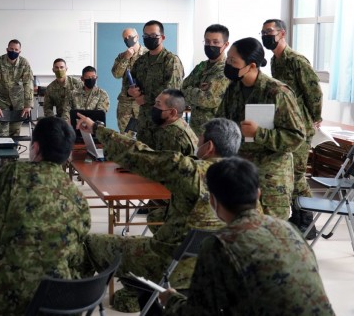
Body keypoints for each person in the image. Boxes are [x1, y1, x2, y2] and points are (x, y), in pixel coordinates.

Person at [76, 115, 241, 313]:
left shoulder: (190, 172)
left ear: (209, 146)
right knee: (154, 219)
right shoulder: (245, 178)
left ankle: (74, 304)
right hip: (215, 267)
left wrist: (97, 129)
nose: (197, 141)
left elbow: (138, 154)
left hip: (170, 262)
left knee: (89, 243)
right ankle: (134, 297)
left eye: (200, 138)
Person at [0, 116, 91, 315]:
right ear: (68, 154)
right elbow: (77, 259)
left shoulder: (13, 174)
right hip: (58, 304)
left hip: (6, 300)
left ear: (35, 148)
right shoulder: (78, 198)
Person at [159, 157, 335, 316]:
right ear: (258, 194)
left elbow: (199, 312)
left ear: (213, 200)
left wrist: (171, 299)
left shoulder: (219, 243)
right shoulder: (288, 228)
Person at [217, 37, 305, 220]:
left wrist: (259, 133)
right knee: (243, 233)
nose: (228, 64)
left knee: (270, 237)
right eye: (228, 59)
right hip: (241, 175)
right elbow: (222, 123)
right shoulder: (233, 90)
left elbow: (295, 137)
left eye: (233, 61)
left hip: (271, 179)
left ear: (252, 65)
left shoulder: (277, 92)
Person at [262, 19, 323, 238]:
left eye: (270, 32)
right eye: (263, 32)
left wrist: (316, 117)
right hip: (285, 124)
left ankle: (306, 221)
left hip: (300, 126)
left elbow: (314, 91)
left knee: (296, 174)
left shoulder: (296, 60)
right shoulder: (275, 60)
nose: (266, 35)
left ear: (282, 33)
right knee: (290, 174)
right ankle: (298, 218)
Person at [128, 20, 184, 147]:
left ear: (162, 37)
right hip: (143, 122)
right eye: (146, 36)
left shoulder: (170, 60)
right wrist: (130, 91)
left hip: (163, 122)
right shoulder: (141, 61)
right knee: (144, 158)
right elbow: (128, 83)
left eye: (153, 36)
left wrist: (145, 98)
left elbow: (172, 92)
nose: (149, 39)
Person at [181, 24, 231, 136]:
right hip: (196, 130)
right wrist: (198, 90)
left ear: (226, 44)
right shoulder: (201, 66)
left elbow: (209, 100)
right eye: (207, 42)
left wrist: (191, 90)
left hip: (216, 132)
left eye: (215, 42)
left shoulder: (227, 70)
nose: (210, 45)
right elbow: (182, 88)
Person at [0, 39, 34, 137]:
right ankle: (2, 151)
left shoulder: (24, 63)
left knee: (15, 130)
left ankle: (14, 150)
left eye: (16, 49)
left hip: (19, 99)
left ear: (19, 51)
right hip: (2, 99)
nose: (13, 51)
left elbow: (28, 83)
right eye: (11, 49)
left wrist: (28, 104)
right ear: (7, 49)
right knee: (3, 130)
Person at [112, 28, 147, 132]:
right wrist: (126, 58)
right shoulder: (121, 56)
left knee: (144, 136)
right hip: (125, 104)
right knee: (125, 137)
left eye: (130, 37)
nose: (128, 39)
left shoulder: (148, 54)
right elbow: (116, 74)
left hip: (142, 102)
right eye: (125, 38)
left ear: (137, 37)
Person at [151, 89, 198, 156]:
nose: (154, 107)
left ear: (172, 112)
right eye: (155, 103)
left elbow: (165, 163)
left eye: (158, 104)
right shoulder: (180, 122)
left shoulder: (172, 134)